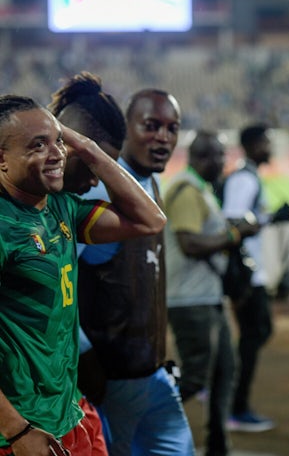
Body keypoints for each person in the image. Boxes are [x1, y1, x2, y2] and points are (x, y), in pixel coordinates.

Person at [0, 94, 165, 456]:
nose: (56, 153)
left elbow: (150, 220)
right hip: (23, 430)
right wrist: (16, 430)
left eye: (58, 139)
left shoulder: (61, 207)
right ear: (2, 160)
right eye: (37, 145)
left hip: (71, 416)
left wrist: (86, 147)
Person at [76, 88, 196, 455]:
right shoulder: (98, 193)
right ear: (125, 129)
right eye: (151, 126)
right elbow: (56, 281)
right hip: (109, 381)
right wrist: (85, 356)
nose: (164, 137)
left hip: (152, 374)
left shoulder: (151, 185)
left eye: (172, 128)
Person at [164, 129, 259, 456]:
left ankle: (218, 445)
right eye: (216, 154)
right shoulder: (186, 190)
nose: (222, 161)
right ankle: (141, 420)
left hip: (206, 297)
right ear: (198, 157)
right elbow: (190, 244)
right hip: (188, 299)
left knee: (224, 371)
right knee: (194, 377)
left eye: (222, 154)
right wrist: (234, 235)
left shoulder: (198, 189)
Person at [48, 70, 130, 453]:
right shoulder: (12, 217)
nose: (97, 180)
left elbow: (148, 220)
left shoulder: (67, 209)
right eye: (92, 166)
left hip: (61, 393)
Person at [221, 123, 276, 431]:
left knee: (257, 333)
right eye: (266, 142)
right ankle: (235, 406)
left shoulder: (249, 176)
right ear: (254, 145)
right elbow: (233, 219)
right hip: (246, 272)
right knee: (254, 335)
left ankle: (226, 392)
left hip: (251, 270)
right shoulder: (244, 179)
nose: (269, 148)